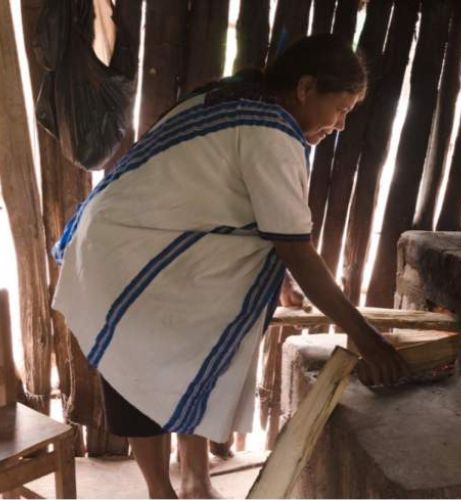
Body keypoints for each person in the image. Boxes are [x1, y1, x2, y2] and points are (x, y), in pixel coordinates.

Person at [52, 33, 409, 498]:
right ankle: (163, 492)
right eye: (340, 109)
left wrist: (277, 278)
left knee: (192, 360)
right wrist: (366, 338)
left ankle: (198, 484)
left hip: (154, 244)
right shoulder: (269, 132)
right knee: (136, 376)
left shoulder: (243, 100)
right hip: (123, 253)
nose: (340, 124)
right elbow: (296, 247)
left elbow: (251, 210)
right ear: (305, 88)